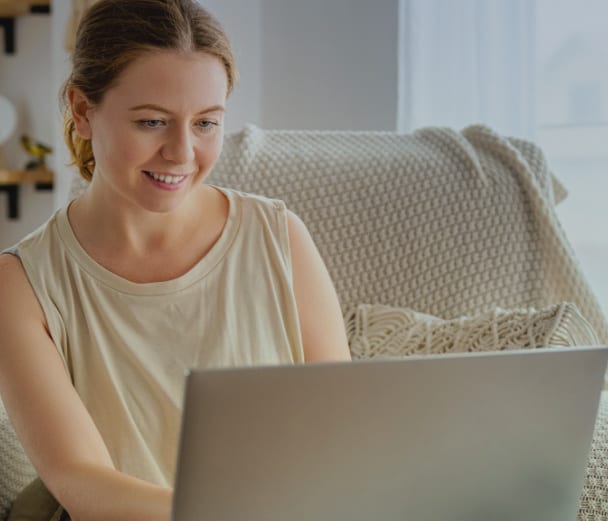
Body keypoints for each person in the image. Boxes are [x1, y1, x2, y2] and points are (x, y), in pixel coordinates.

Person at [0, 1, 351, 519]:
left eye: (206, 123)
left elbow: (343, 428)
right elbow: (81, 480)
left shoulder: (280, 238)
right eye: (151, 122)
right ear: (81, 110)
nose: (182, 152)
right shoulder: (22, 284)